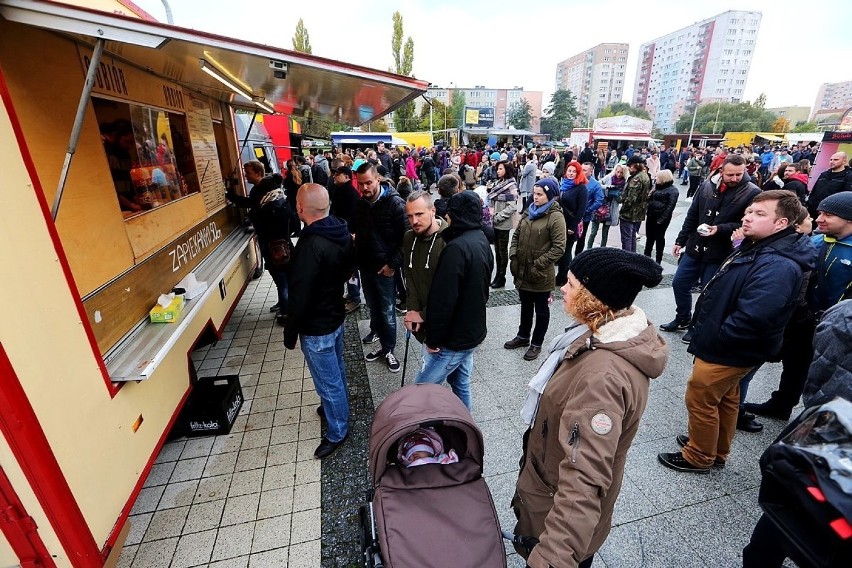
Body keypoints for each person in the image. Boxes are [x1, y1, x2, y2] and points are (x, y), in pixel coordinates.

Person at [511, 247, 667, 568]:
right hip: (551, 492)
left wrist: (553, 557)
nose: (562, 287)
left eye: (570, 283)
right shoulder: (594, 334)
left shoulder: (601, 378)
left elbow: (585, 475)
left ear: (594, 296)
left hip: (560, 517)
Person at [658, 191, 816, 473]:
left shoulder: (778, 263)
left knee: (701, 396)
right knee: (728, 397)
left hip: (730, 348)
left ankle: (698, 454)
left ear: (780, 224)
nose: (747, 216)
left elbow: (755, 315)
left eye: (759, 214)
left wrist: (718, 338)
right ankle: (715, 447)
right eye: (749, 211)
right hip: (734, 347)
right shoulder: (761, 246)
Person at [745, 192, 852, 422]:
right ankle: (781, 404)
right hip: (802, 319)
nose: (819, 218)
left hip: (836, 328)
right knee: (794, 363)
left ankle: (816, 419)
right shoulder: (816, 241)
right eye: (820, 212)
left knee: (822, 373)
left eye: (828, 215)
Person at [283, 184, 354, 459]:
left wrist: (290, 332)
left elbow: (299, 295)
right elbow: (349, 268)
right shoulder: (339, 229)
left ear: (300, 209)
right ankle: (334, 407)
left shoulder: (310, 244)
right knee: (337, 370)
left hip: (316, 327)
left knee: (328, 381)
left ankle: (338, 430)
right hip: (335, 315)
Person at [659, 155, 760, 337]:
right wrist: (680, 240)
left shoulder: (752, 192)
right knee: (679, 283)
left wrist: (720, 229)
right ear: (721, 171)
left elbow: (748, 223)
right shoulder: (707, 185)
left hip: (720, 251)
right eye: (731, 175)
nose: (735, 178)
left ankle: (697, 326)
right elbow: (693, 214)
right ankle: (683, 318)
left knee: (708, 293)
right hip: (695, 247)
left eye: (739, 174)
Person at [421, 191, 493, 410]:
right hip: (471, 330)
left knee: (421, 389)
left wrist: (432, 338)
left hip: (456, 338)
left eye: (449, 213)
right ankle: (466, 426)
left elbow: (444, 301)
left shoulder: (456, 248)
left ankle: (417, 433)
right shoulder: (480, 239)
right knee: (460, 382)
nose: (447, 217)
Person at [353, 162, 408, 373]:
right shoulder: (361, 204)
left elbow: (406, 239)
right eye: (361, 184)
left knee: (387, 312)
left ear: (378, 179)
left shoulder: (396, 204)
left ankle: (389, 349)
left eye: (368, 183)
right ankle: (379, 336)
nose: (365, 188)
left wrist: (392, 266)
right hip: (366, 267)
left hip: (385, 269)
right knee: (374, 309)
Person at [504, 179, 567, 361]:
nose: (535, 197)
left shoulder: (555, 217)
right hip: (522, 270)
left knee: (541, 310)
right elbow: (516, 235)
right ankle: (523, 336)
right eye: (534, 193)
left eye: (540, 194)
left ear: (550, 195)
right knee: (525, 306)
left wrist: (539, 263)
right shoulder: (528, 210)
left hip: (540, 273)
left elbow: (559, 247)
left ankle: (536, 343)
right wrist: (513, 255)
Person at [226, 161, 290, 323]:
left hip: (275, 244)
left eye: (247, 172)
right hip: (277, 243)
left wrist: (230, 195)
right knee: (279, 277)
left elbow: (251, 205)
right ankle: (283, 303)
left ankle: (286, 311)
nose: (246, 175)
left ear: (257, 173)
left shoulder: (264, 193)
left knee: (282, 278)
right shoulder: (270, 191)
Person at [401, 189, 448, 350]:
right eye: (410, 216)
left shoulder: (449, 241)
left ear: (433, 211)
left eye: (419, 214)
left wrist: (426, 319)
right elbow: (410, 277)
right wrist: (413, 311)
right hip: (422, 326)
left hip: (446, 328)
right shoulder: (408, 238)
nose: (414, 221)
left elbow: (450, 293)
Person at [329, 165, 361, 314]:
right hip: (340, 233)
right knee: (345, 266)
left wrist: (352, 233)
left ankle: (355, 297)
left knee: (351, 267)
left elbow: (354, 216)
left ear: (347, 177)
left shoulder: (350, 193)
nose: (335, 176)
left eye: (338, 175)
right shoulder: (339, 190)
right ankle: (351, 294)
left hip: (348, 235)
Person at [555, 161, 588, 285]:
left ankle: (564, 276)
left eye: (574, 171)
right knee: (560, 249)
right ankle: (561, 274)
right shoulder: (564, 185)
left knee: (566, 250)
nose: (571, 173)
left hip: (570, 224)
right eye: (569, 170)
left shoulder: (581, 188)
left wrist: (573, 227)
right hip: (560, 222)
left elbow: (581, 210)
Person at [487, 160, 519, 289]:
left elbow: (512, 206)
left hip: (503, 223)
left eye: (500, 169)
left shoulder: (511, 185)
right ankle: (498, 276)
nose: (498, 171)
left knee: (502, 250)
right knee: (497, 251)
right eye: (497, 169)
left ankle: (502, 277)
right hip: (494, 222)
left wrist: (498, 217)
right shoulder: (499, 183)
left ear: (507, 169)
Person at [644, 169, 679, 264]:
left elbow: (670, 207)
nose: (656, 178)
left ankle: (658, 259)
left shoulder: (673, 190)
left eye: (658, 177)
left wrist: (662, 219)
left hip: (661, 218)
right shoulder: (657, 187)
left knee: (659, 238)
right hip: (651, 215)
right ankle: (646, 257)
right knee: (649, 238)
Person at [587, 164, 626, 249]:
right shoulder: (609, 177)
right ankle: (588, 249)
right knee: (593, 232)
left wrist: (617, 195)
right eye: (618, 171)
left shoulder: (624, 183)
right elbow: (598, 184)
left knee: (605, 233)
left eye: (621, 173)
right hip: (599, 207)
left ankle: (602, 250)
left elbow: (621, 200)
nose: (619, 174)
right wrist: (607, 188)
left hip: (610, 210)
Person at [619, 156, 651, 253]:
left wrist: (623, 209)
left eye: (630, 166)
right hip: (639, 212)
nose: (628, 168)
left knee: (627, 237)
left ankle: (627, 257)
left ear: (636, 166)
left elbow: (631, 198)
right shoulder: (645, 175)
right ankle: (632, 255)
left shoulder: (636, 178)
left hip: (630, 213)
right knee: (632, 236)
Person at [807, 151, 852, 220]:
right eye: (831, 159)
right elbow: (814, 191)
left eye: (836, 160)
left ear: (844, 161)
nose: (832, 161)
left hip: (832, 213)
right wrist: (809, 204)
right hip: (815, 210)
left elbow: (846, 196)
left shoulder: (848, 176)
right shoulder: (824, 174)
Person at [575, 162, 604, 256]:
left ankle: (577, 258)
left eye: (584, 170)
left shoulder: (595, 185)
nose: (581, 172)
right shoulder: (575, 180)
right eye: (581, 169)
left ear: (591, 171)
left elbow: (599, 200)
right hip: (571, 214)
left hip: (584, 218)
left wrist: (587, 210)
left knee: (581, 238)